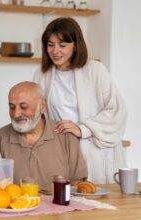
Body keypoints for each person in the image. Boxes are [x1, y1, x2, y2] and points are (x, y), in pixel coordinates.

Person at [32, 17, 127, 184]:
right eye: (50, 44)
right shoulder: (42, 74)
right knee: (65, 203)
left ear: (75, 46)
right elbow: (39, 113)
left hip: (96, 151)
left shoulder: (95, 70)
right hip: (62, 150)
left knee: (100, 203)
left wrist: (83, 129)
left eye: (62, 45)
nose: (55, 51)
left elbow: (116, 111)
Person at [0, 81, 87, 188]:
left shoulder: (66, 136)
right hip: (17, 204)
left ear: (42, 106)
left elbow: (78, 184)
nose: (16, 114)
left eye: (23, 107)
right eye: (12, 107)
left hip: (59, 203)